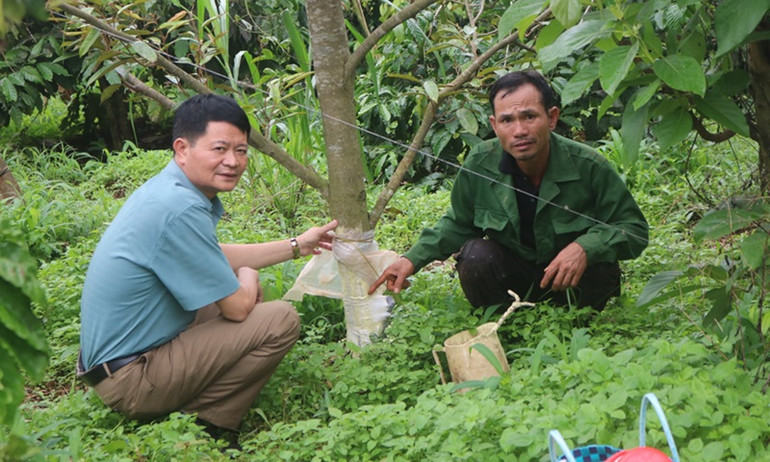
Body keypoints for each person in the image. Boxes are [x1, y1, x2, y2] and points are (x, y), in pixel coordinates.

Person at [77, 93, 337, 448]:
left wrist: (297, 246)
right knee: (279, 319)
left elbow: (209, 255)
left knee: (232, 288)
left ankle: (191, 401)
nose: (233, 161)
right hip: (132, 381)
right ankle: (209, 422)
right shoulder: (179, 206)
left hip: (114, 365)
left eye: (242, 150)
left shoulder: (168, 190)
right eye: (219, 149)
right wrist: (248, 275)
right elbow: (237, 307)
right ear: (182, 149)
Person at [369, 70, 648, 311]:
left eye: (529, 116)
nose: (519, 130)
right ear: (494, 125)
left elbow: (633, 229)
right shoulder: (480, 163)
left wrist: (584, 248)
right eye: (507, 120)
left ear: (551, 118)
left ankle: (582, 319)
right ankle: (505, 322)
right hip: (517, 279)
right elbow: (457, 224)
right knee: (476, 256)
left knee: (598, 268)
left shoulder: (589, 165)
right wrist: (410, 260)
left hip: (575, 283)